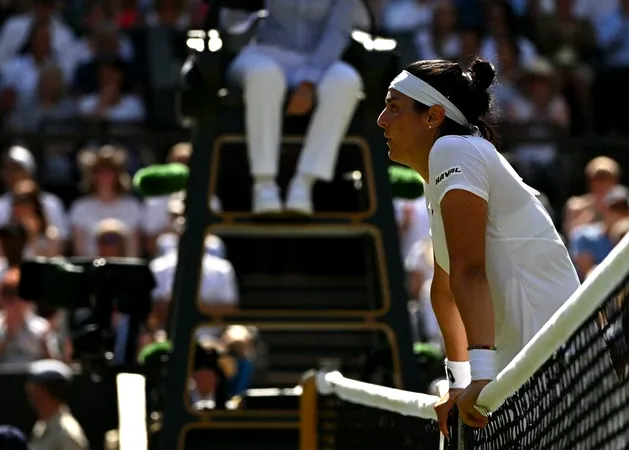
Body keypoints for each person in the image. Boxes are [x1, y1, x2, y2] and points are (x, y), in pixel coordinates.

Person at [377, 57, 580, 432]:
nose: (381, 120)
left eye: (393, 107)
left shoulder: (455, 151)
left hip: (556, 369)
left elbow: (470, 271)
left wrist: (480, 379)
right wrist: (459, 381)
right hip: (526, 373)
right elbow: (445, 289)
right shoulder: (446, 166)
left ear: (433, 116)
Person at [227, 0, 364, 215]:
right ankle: (264, 184)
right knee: (264, 76)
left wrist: (308, 82)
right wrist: (237, 9)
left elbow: (338, 31)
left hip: (319, 58)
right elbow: (232, 25)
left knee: (346, 81)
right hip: (264, 52)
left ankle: (304, 184)